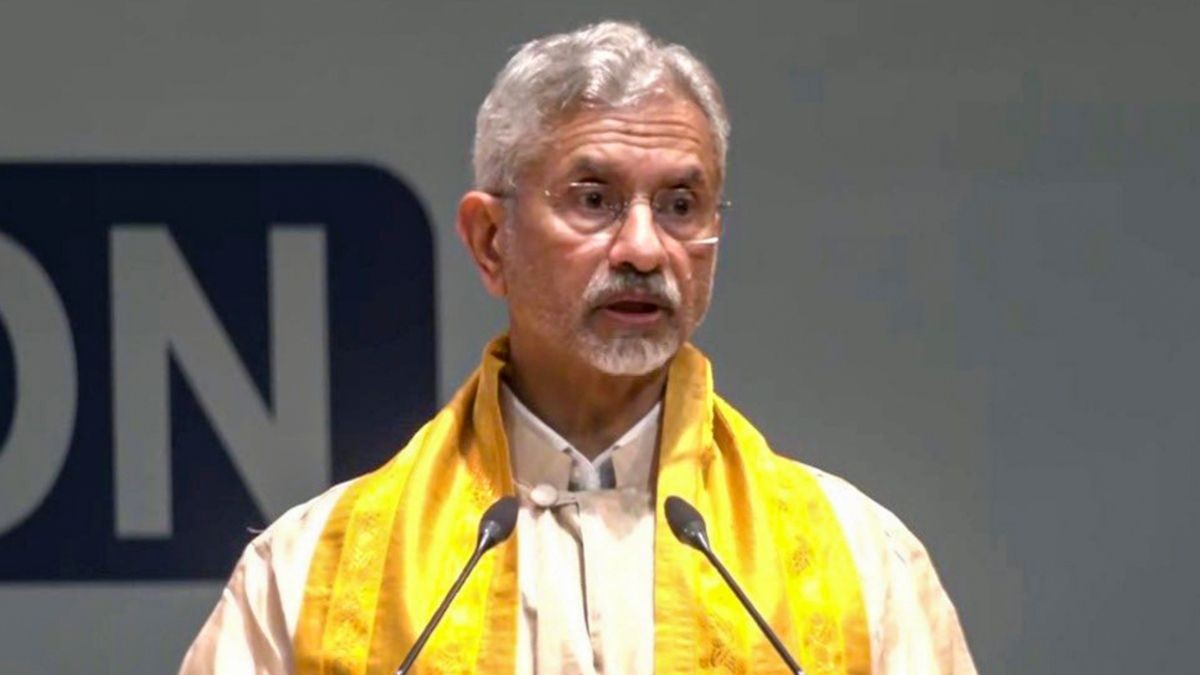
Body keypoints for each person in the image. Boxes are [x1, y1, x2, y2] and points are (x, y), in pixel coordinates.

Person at [180, 21, 977, 674]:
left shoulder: (859, 566)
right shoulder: (311, 575)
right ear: (491, 240)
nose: (644, 248)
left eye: (680, 205)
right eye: (594, 200)